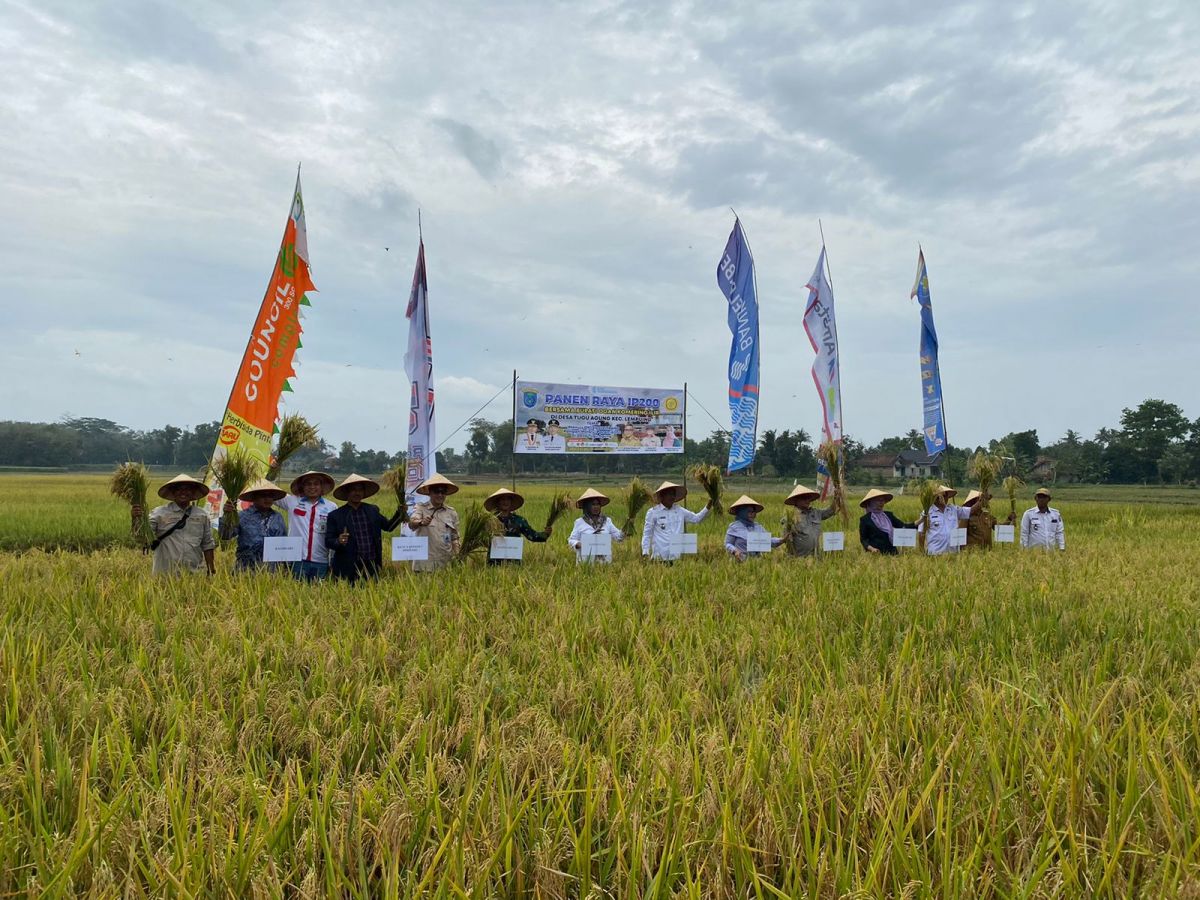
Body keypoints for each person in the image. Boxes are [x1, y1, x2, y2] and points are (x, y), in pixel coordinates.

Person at [324, 474, 407, 582]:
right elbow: (328, 541)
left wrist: (400, 513)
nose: (357, 493)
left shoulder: (372, 510)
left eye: (360, 490)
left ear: (363, 492)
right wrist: (338, 541)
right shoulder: (336, 515)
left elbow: (388, 527)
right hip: (347, 566)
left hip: (371, 564)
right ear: (347, 492)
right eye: (353, 490)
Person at [133, 473, 216, 576]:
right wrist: (136, 519)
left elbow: (207, 544)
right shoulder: (159, 514)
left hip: (195, 574)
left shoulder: (201, 515)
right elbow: (143, 538)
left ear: (193, 492)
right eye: (179, 489)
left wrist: (211, 570)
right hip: (165, 575)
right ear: (173, 492)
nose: (183, 492)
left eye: (187, 489)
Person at [278, 470, 338, 580]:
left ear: (321, 487)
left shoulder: (331, 507)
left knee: (318, 595)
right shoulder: (292, 501)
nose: (312, 487)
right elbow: (269, 490)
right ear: (302, 487)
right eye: (308, 484)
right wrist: (274, 470)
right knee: (294, 594)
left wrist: (332, 561)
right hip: (296, 560)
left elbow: (334, 535)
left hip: (321, 561)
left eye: (316, 484)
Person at [219, 478, 288, 570]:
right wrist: (227, 516)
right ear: (254, 497)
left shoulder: (278, 517)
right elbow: (225, 535)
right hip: (246, 568)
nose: (267, 499)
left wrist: (286, 567)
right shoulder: (242, 516)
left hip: (272, 570)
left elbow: (283, 542)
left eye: (270, 496)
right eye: (263, 496)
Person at [642, 481, 711, 561]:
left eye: (673, 494)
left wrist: (708, 506)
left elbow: (696, 518)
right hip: (659, 558)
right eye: (669, 494)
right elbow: (647, 534)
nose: (672, 497)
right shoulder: (653, 512)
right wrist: (645, 553)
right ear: (662, 496)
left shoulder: (679, 510)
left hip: (675, 558)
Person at [408, 473, 461, 571]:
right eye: (436, 492)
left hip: (445, 564)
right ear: (430, 493)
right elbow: (411, 524)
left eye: (443, 492)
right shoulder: (421, 508)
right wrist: (421, 522)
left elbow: (455, 537)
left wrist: (458, 556)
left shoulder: (451, 512)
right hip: (424, 565)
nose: (440, 495)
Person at [483, 487, 551, 565]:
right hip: (494, 563)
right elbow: (481, 539)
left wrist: (545, 534)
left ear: (511, 502)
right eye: (502, 499)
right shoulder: (490, 520)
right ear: (497, 502)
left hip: (514, 564)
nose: (505, 502)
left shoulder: (519, 521)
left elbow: (532, 536)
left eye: (508, 499)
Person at [567, 488, 625, 562]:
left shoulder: (607, 521)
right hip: (585, 564)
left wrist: (626, 529)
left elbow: (619, 537)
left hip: (604, 564)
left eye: (598, 504)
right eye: (593, 504)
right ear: (587, 506)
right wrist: (579, 544)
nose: (596, 507)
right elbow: (571, 540)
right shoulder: (580, 522)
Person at [782, 483, 839, 557]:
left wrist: (837, 497)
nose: (807, 500)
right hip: (799, 558)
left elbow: (831, 510)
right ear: (796, 500)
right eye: (804, 498)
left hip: (816, 557)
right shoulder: (790, 517)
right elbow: (786, 539)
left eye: (808, 498)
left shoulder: (816, 513)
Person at [858, 489, 919, 555]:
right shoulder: (865, 519)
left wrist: (921, 521)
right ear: (871, 502)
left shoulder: (888, 515)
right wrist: (872, 549)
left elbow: (903, 526)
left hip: (892, 553)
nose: (881, 502)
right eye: (878, 500)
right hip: (876, 554)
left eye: (883, 500)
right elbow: (863, 540)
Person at [917, 485, 973, 555]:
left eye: (945, 495)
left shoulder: (953, 509)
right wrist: (922, 552)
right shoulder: (927, 512)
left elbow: (971, 511)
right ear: (935, 498)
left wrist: (981, 501)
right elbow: (921, 534)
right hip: (935, 554)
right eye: (941, 496)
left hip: (953, 553)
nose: (944, 498)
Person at [724, 495, 782, 560]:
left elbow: (768, 541)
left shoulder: (758, 527)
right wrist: (734, 551)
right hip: (739, 561)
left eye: (754, 512)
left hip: (756, 562)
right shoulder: (734, 527)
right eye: (749, 512)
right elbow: (727, 544)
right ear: (742, 512)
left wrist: (781, 540)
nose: (752, 514)